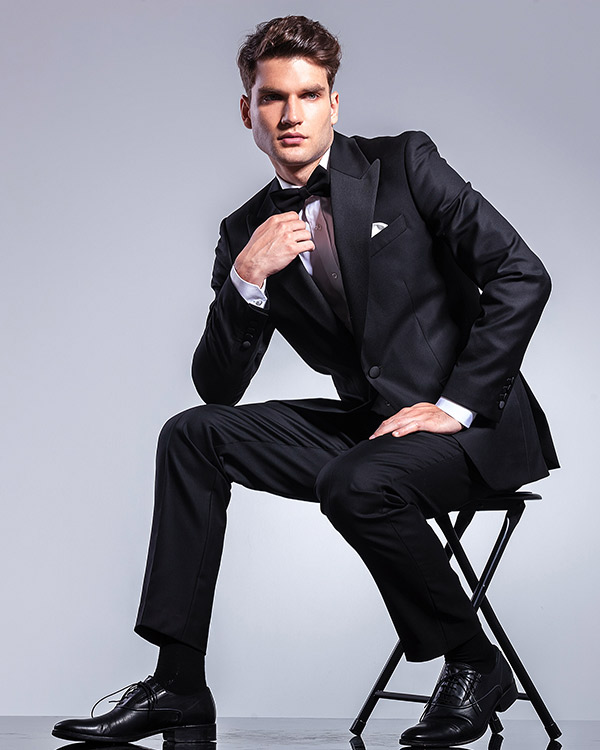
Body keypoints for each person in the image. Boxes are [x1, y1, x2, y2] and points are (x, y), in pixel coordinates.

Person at [53, 15, 558, 748]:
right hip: (374, 428)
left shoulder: (404, 164)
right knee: (193, 436)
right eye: (272, 98)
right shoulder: (244, 232)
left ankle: (474, 663)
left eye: (309, 95)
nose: (291, 114)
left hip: (470, 429)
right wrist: (246, 280)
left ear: (334, 103)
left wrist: (454, 406)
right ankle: (178, 685)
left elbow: (521, 274)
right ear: (248, 112)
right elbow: (217, 387)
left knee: (357, 481)